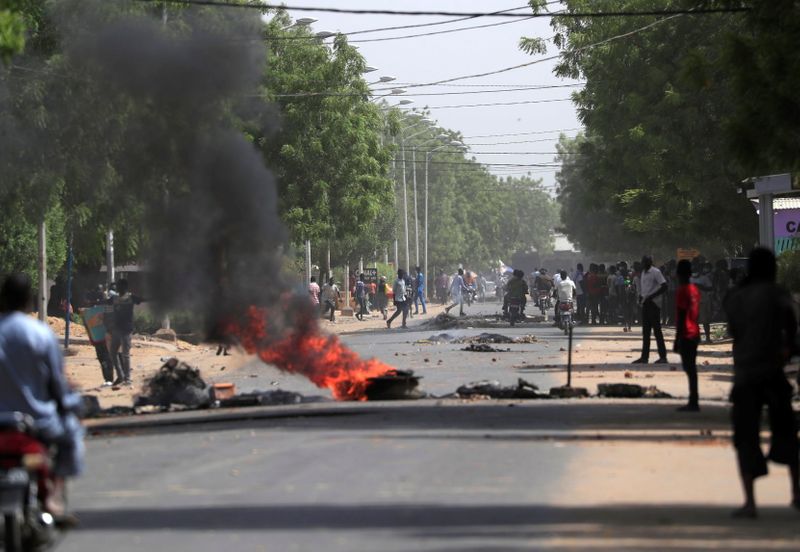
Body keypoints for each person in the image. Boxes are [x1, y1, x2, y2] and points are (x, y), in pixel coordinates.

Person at [0, 273, 85, 519]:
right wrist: (70, 405)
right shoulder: (39, 333)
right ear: (29, 300)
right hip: (37, 422)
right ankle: (52, 496)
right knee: (73, 434)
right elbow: (57, 381)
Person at [724, 247, 799, 519]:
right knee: (786, 430)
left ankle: (750, 502)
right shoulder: (778, 294)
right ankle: (796, 492)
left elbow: (734, 329)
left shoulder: (737, 297)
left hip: (745, 373)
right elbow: (791, 326)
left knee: (745, 436)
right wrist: (787, 350)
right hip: (772, 370)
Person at [674, 259, 701, 412]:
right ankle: (693, 399)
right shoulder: (694, 289)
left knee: (689, 367)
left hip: (686, 333)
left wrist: (678, 338)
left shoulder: (682, 291)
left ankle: (693, 400)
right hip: (694, 331)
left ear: (679, 274)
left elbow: (683, 314)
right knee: (691, 367)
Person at [632, 255, 668, 364]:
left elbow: (664, 286)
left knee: (657, 331)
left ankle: (663, 357)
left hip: (654, 304)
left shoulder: (655, 272)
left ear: (649, 263)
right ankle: (644, 357)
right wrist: (641, 297)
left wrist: (652, 296)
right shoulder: (643, 273)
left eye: (645, 262)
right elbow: (645, 289)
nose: (644, 265)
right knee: (646, 332)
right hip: (645, 303)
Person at [107, 279, 144, 386]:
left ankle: (127, 378)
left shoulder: (131, 297)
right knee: (113, 353)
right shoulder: (114, 298)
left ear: (124, 287)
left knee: (125, 354)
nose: (117, 288)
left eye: (119, 286)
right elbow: (105, 302)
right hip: (116, 330)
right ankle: (121, 376)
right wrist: (93, 303)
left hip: (126, 330)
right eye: (117, 286)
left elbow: (143, 299)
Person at [691, 261, 714, 342]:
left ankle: (708, 337)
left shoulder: (704, 278)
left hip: (703, 301)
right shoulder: (689, 278)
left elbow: (710, 288)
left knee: (705, 321)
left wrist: (700, 287)